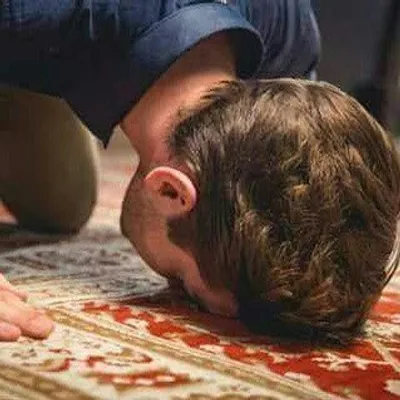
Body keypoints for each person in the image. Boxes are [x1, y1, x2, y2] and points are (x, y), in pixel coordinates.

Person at [0, 0, 398, 345]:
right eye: (185, 287)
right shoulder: (35, 13)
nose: (172, 286)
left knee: (59, 202)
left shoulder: (287, 38)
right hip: (32, 28)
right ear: (171, 191)